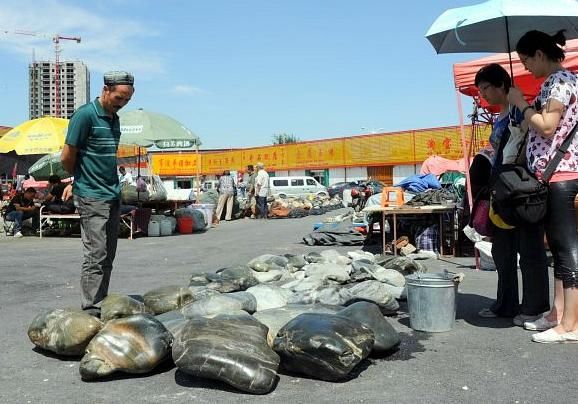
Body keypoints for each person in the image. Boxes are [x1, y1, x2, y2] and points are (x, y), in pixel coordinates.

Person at [507, 30, 578, 343]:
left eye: (526, 61)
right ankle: (557, 314)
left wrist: (521, 103)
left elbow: (547, 126)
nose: (526, 68)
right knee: (560, 247)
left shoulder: (561, 81)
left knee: (566, 249)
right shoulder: (557, 82)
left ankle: (570, 324)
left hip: (561, 174)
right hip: (552, 175)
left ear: (539, 53)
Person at [473, 64, 550, 325]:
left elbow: (532, 141)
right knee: (502, 249)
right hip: (503, 187)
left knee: (529, 249)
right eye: (481, 89)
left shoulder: (521, 111)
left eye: (486, 88)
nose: (483, 94)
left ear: (501, 85)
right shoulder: (502, 115)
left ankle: (533, 307)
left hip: (522, 188)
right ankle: (506, 304)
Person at [60, 71, 135, 318]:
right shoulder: (85, 115)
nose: (121, 103)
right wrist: (78, 179)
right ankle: (90, 308)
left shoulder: (114, 119)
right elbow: (67, 155)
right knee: (96, 253)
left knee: (108, 253)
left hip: (112, 193)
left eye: (126, 100)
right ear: (105, 89)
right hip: (92, 195)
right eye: (118, 97)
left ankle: (101, 301)